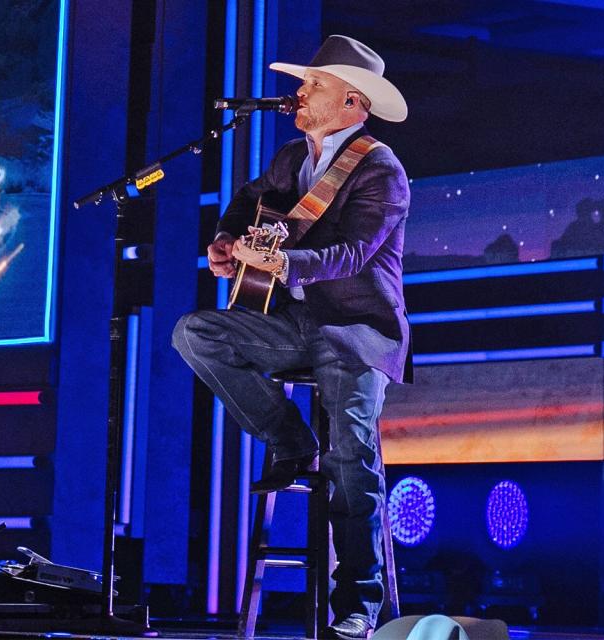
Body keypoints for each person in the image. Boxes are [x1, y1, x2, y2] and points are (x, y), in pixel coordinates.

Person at [172, 35, 411, 640]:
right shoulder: (289, 160)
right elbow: (248, 202)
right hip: (294, 325)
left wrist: (282, 265)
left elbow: (356, 253)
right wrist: (227, 243)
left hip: (356, 332)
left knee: (353, 457)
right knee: (195, 333)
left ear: (352, 102)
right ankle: (290, 439)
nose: (300, 93)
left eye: (315, 86)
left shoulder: (380, 167)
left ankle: (357, 602)